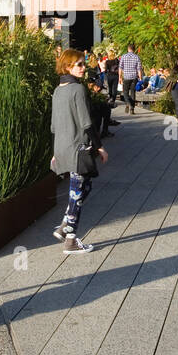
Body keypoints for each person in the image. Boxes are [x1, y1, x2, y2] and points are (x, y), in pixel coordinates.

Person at [50, 49, 107, 255]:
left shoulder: (58, 90)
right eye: (79, 64)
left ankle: (65, 224)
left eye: (84, 64)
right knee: (77, 192)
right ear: (67, 67)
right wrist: (99, 146)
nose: (84, 68)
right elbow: (86, 122)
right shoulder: (77, 90)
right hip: (77, 148)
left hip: (62, 147)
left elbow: (54, 125)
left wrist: (55, 151)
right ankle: (71, 239)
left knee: (84, 187)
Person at [119, 45, 143, 114]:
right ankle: (132, 108)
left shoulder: (123, 56)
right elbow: (139, 69)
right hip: (134, 77)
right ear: (134, 49)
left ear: (128, 49)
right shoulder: (137, 57)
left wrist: (120, 77)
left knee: (125, 92)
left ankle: (128, 103)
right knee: (133, 92)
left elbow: (120, 68)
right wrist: (140, 78)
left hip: (126, 77)